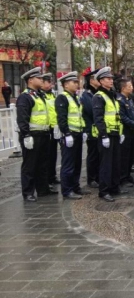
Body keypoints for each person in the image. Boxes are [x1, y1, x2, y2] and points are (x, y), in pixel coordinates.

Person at [16, 67, 52, 202]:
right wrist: (26, 135)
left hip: (43, 134)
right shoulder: (25, 97)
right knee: (29, 165)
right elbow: (22, 118)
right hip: (32, 135)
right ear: (30, 80)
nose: (42, 80)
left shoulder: (39, 95)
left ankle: (43, 189)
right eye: (39, 78)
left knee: (42, 163)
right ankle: (28, 192)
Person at [92, 67, 124, 202]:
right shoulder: (99, 96)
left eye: (111, 78)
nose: (111, 81)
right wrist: (104, 135)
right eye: (107, 78)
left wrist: (121, 133)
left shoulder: (112, 95)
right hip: (106, 135)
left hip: (115, 133)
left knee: (116, 162)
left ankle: (114, 187)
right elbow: (98, 118)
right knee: (106, 164)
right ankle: (104, 191)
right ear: (100, 81)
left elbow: (116, 116)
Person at [55, 71, 84, 200]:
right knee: (68, 164)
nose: (77, 84)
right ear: (66, 85)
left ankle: (75, 187)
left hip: (77, 133)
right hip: (69, 135)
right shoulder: (62, 98)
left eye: (77, 82)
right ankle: (67, 190)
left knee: (77, 163)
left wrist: (82, 130)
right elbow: (62, 118)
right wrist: (66, 133)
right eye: (74, 82)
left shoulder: (75, 97)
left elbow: (78, 116)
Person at [81, 68, 100, 188]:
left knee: (99, 155)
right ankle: (91, 178)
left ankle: (97, 177)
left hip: (98, 130)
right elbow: (92, 112)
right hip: (91, 130)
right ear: (91, 81)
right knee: (93, 155)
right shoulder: (87, 95)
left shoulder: (96, 93)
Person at [117, 78, 134, 188]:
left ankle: (128, 175)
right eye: (129, 86)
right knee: (124, 156)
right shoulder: (120, 100)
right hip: (125, 131)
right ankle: (122, 177)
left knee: (130, 156)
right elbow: (123, 117)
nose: (131, 88)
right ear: (123, 88)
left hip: (132, 131)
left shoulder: (129, 99)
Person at [41, 73, 59, 189]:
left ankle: (52, 176)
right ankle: (46, 179)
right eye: (48, 82)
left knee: (53, 154)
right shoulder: (40, 95)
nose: (51, 84)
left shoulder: (52, 95)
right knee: (46, 156)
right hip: (46, 128)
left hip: (54, 128)